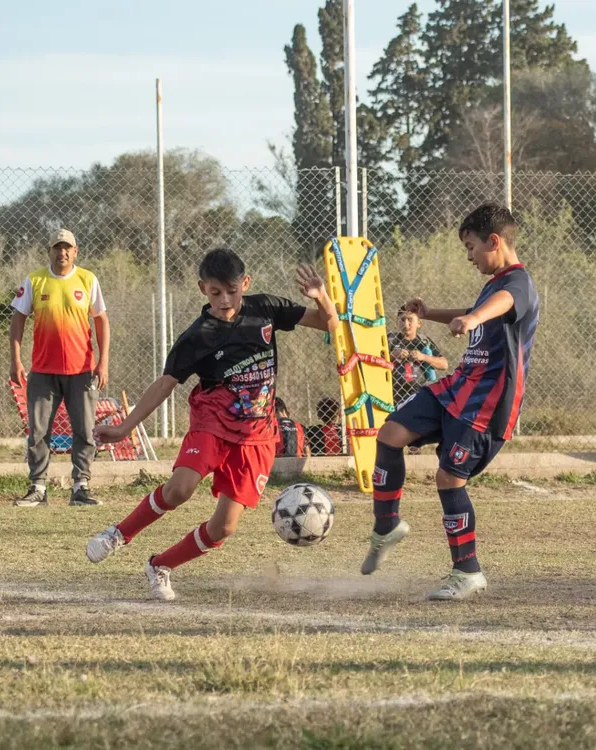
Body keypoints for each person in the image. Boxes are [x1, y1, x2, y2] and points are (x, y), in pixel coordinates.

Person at [85, 248, 337, 601]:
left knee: (225, 527)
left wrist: (321, 296)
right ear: (203, 288)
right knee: (180, 489)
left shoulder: (265, 309)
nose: (225, 300)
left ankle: (160, 565)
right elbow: (164, 384)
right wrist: (125, 427)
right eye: (216, 292)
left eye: (232, 291)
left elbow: (330, 323)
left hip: (258, 434)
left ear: (245, 284)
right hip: (213, 420)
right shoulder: (198, 336)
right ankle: (119, 534)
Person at [361, 203, 539, 601]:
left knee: (449, 479)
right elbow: (475, 309)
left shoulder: (518, 283)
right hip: (458, 388)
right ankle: (386, 527)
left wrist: (474, 321)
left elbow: (503, 306)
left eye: (471, 246)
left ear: (494, 241)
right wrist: (433, 313)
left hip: (486, 403)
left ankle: (467, 572)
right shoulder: (494, 282)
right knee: (390, 433)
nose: (469, 255)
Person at [9, 228, 110, 508]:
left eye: (67, 248)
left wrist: (103, 362)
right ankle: (38, 488)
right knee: (39, 431)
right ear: (49, 251)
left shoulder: (87, 279)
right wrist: (15, 360)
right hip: (43, 371)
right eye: (57, 247)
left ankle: (81, 487)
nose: (62, 252)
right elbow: (18, 321)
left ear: (75, 251)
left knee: (85, 430)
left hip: (82, 371)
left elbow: (101, 322)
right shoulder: (35, 280)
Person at [389, 307, 448, 405]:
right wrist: (392, 355)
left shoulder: (424, 341)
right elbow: (376, 360)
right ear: (397, 323)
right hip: (393, 391)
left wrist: (424, 357)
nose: (406, 324)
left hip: (418, 392)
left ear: (419, 323)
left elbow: (444, 364)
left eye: (410, 320)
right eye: (402, 320)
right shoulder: (391, 339)